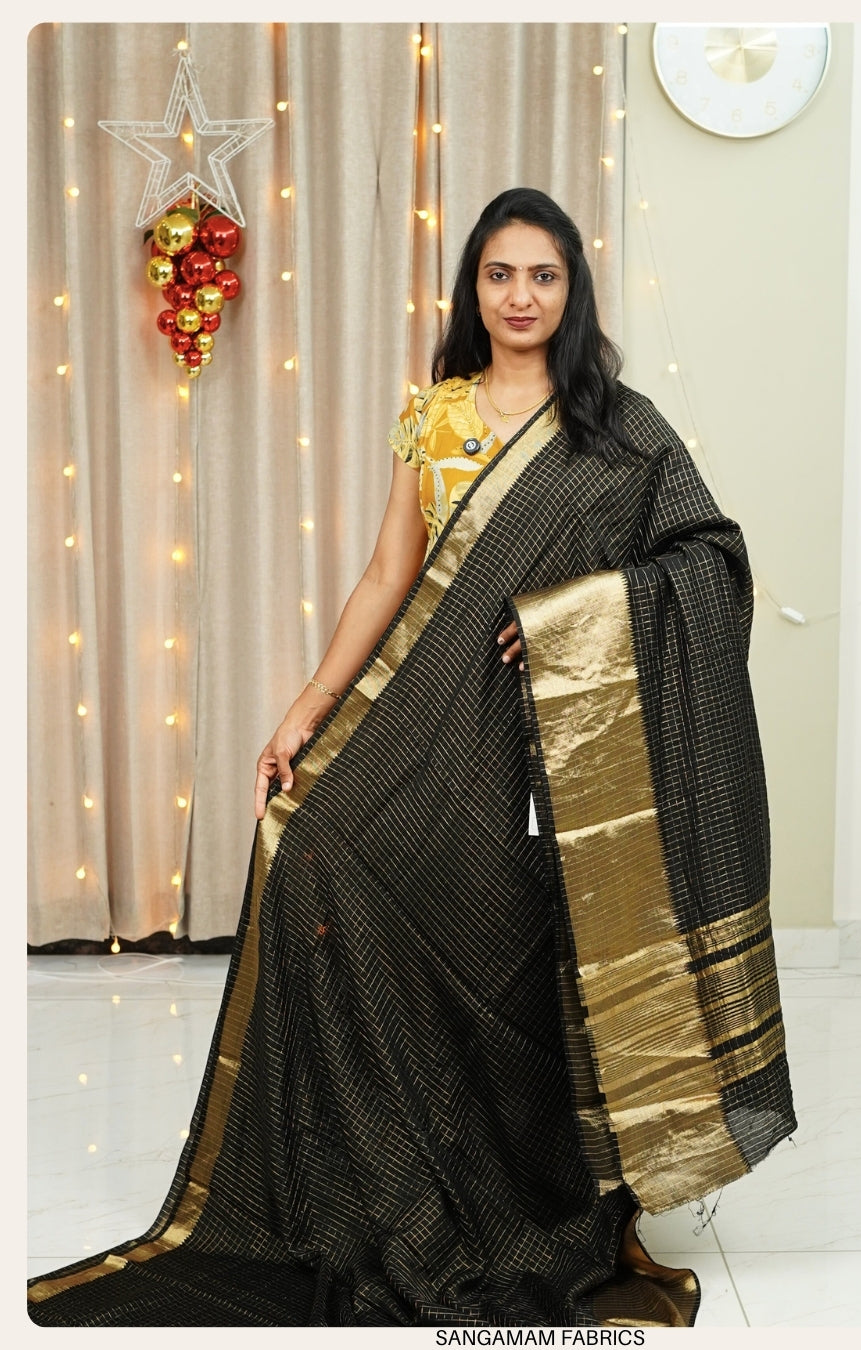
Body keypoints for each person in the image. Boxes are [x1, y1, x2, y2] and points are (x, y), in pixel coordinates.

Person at [28, 188, 796, 1327]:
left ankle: (546, 1192)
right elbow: (391, 574)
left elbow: (712, 563)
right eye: (500, 274)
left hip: (556, 752)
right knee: (313, 849)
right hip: (435, 722)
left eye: (544, 276)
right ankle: (378, 1177)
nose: (522, 296)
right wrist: (305, 709)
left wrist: (579, 614)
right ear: (473, 288)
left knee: (530, 952)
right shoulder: (433, 418)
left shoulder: (619, 429)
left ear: (573, 291)